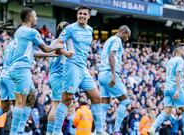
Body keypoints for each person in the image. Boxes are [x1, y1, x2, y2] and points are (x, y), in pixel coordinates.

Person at [52, 5, 106, 135]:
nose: (82, 16)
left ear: (88, 16)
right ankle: (55, 131)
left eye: (84, 14)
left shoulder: (90, 30)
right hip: (72, 66)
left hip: (83, 68)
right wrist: (64, 52)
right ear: (77, 15)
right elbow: (58, 43)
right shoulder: (70, 28)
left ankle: (99, 130)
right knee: (67, 98)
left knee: (96, 97)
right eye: (80, 13)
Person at [8, 7, 62, 135]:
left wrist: (53, 55)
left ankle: (20, 129)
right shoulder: (32, 32)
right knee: (21, 102)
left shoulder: (19, 31)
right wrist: (59, 46)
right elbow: (46, 48)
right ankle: (14, 132)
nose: (36, 18)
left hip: (17, 68)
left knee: (31, 97)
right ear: (29, 17)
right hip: (22, 69)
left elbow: (34, 53)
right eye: (35, 16)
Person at [148, 43, 184, 135]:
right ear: (178, 50)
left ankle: (153, 128)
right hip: (175, 88)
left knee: (167, 111)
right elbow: (177, 75)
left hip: (167, 88)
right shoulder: (180, 60)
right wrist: (179, 90)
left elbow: (170, 76)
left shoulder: (170, 61)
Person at [99, 25, 131, 135]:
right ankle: (116, 130)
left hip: (102, 74)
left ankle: (99, 130)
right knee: (126, 101)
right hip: (109, 74)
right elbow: (111, 56)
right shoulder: (117, 40)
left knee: (105, 103)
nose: (127, 39)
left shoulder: (109, 40)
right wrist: (114, 74)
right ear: (122, 32)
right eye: (127, 36)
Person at [46, 21, 74, 135]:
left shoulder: (55, 42)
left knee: (63, 103)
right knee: (56, 105)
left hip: (54, 75)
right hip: (58, 76)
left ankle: (53, 131)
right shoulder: (62, 43)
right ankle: (51, 132)